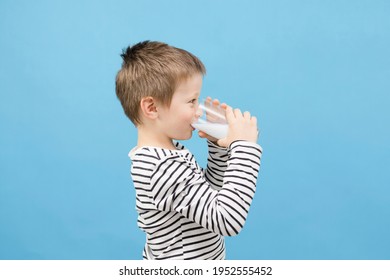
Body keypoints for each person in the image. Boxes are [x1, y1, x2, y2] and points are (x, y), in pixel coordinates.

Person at [115, 41, 263, 260]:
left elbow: (209, 199)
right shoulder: (160, 167)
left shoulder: (168, 155)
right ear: (152, 108)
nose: (197, 112)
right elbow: (227, 219)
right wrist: (245, 148)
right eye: (191, 101)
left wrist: (219, 148)